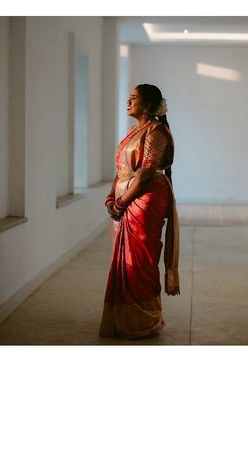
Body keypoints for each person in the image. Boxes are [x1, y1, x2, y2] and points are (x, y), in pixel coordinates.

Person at [98, 83, 180, 340]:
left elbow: (145, 174)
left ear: (148, 105)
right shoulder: (135, 131)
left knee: (141, 260)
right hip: (127, 197)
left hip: (145, 201)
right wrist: (112, 196)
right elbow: (122, 169)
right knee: (123, 260)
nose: (128, 101)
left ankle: (144, 319)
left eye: (134, 98)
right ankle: (122, 318)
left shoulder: (157, 132)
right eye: (129, 97)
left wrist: (121, 203)